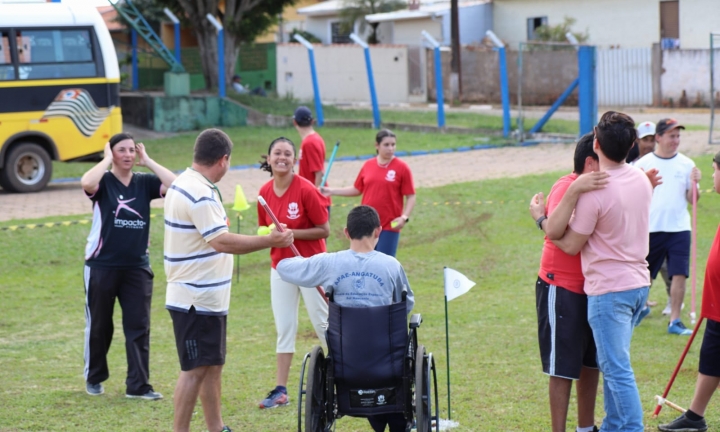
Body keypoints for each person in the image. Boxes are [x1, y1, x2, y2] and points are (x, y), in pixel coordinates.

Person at [163, 128, 294, 432]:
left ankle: (216, 427)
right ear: (223, 160)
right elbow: (221, 241)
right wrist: (271, 241)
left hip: (205, 299)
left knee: (212, 366)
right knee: (194, 370)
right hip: (195, 299)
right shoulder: (199, 192)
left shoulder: (184, 182)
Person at [531, 111, 653, 431]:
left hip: (609, 290)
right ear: (631, 147)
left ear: (597, 144)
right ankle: (613, 426)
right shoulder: (640, 178)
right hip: (637, 285)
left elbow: (569, 244)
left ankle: (627, 427)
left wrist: (540, 219)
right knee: (609, 365)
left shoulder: (595, 191)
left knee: (615, 369)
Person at [276, 205, 414, 432]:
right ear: (378, 231)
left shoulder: (329, 263)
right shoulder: (392, 266)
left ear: (346, 232)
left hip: (346, 361)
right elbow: (406, 304)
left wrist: (283, 241)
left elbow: (284, 268)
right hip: (388, 361)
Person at [80, 132, 176, 400]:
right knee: (100, 326)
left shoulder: (144, 183)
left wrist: (149, 161)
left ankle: (138, 386)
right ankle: (94, 377)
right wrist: (105, 159)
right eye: (121, 150)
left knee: (138, 326)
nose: (128, 155)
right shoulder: (104, 182)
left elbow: (177, 185)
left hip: (137, 268)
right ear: (112, 153)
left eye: (132, 150)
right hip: (101, 265)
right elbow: (86, 182)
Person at [531, 133, 600, 432]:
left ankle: (586, 427)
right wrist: (541, 220)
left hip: (595, 288)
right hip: (561, 287)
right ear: (590, 162)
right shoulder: (565, 185)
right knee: (562, 367)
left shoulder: (604, 187)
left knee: (591, 362)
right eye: (605, 157)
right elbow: (558, 234)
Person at [256, 136, 330, 409]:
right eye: (277, 153)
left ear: (295, 159)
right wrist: (273, 237)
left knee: (323, 324)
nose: (282, 158)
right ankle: (281, 390)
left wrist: (291, 233)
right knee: (284, 327)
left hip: (311, 266)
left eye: (288, 153)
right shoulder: (263, 192)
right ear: (269, 157)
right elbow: (265, 230)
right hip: (281, 268)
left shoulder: (307, 190)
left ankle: (340, 378)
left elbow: (325, 230)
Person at [658, 151, 720, 432]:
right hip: (716, 304)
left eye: (714, 169)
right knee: (711, 356)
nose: (712, 175)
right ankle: (695, 416)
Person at [634, 118, 702, 335]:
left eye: (678, 136)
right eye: (672, 136)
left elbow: (693, 200)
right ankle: (638, 310)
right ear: (659, 138)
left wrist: (695, 182)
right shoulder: (642, 164)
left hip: (679, 228)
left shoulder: (687, 164)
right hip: (651, 228)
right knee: (644, 275)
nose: (676, 140)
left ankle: (675, 321)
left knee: (679, 274)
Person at [321, 129, 415, 257]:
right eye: (386, 145)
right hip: (366, 224)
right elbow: (357, 189)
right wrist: (331, 191)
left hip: (389, 224)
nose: (391, 148)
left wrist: (404, 217)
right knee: (363, 261)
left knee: (383, 264)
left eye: (393, 144)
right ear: (377, 145)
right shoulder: (368, 165)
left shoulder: (402, 167)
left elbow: (411, 195)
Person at [293, 106, 332, 214]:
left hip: (315, 200)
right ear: (312, 121)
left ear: (294, 122)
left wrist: (313, 199)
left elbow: (319, 173)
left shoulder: (310, 142)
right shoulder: (313, 139)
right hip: (312, 197)